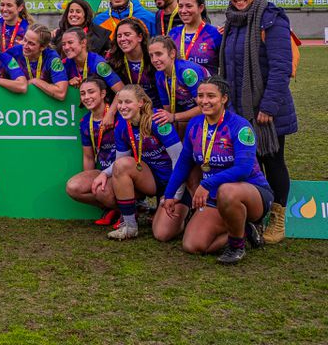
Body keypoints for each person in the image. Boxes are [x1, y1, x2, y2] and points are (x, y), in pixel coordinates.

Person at [219, 0, 297, 244]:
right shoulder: (231, 21)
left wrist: (268, 107)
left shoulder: (272, 19)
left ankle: (277, 217)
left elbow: (281, 68)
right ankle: (255, 218)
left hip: (268, 110)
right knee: (248, 164)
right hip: (238, 110)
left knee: (272, 161)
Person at [161, 77, 273, 264]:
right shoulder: (195, 125)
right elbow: (183, 163)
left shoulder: (240, 126)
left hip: (250, 193)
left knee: (227, 190)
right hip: (214, 197)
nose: (204, 101)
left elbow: (243, 169)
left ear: (224, 99)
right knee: (192, 245)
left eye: (211, 96)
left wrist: (207, 183)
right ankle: (243, 230)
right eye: (200, 96)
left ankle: (237, 247)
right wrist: (170, 194)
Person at [105, 85, 184, 241]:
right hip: (151, 180)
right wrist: (103, 173)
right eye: (120, 102)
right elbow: (120, 163)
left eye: (128, 102)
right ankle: (130, 227)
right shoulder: (122, 125)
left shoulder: (157, 120)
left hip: (173, 182)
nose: (122, 107)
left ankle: (186, 216)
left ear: (140, 103)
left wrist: (175, 194)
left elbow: (179, 159)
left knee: (162, 234)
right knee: (119, 169)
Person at [65, 77, 118, 225]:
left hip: (123, 171)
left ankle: (130, 211)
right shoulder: (85, 122)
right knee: (73, 187)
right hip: (103, 171)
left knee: (102, 191)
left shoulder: (119, 115)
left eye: (91, 92)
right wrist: (91, 181)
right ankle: (114, 208)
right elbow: (88, 157)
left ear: (102, 94)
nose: (86, 97)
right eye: (82, 94)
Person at [150, 36, 208, 134]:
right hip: (189, 115)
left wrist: (174, 117)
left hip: (210, 113)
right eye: (151, 55)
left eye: (159, 54)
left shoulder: (187, 72)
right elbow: (167, 110)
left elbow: (205, 107)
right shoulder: (159, 75)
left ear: (172, 53)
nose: (154, 59)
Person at [108, 17, 162, 108]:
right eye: (119, 36)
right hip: (126, 111)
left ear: (140, 37)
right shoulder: (113, 61)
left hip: (155, 111)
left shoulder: (154, 59)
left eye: (127, 34)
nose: (122, 39)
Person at [8, 24, 68, 101]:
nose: (25, 46)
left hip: (44, 105)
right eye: (25, 40)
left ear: (43, 47)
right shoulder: (14, 52)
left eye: (31, 43)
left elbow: (61, 93)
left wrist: (35, 81)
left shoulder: (52, 58)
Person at [169, 0, 222, 76]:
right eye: (180, 6)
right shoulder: (173, 34)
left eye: (189, 6)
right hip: (178, 88)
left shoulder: (215, 34)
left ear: (201, 8)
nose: (183, 11)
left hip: (205, 88)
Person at [60, 28, 123, 93]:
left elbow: (121, 91)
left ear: (83, 43)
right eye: (63, 44)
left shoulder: (99, 65)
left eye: (70, 42)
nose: (66, 47)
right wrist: (67, 84)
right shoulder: (65, 63)